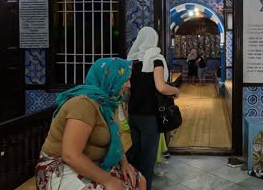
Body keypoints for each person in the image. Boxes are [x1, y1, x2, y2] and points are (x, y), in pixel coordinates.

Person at [35, 57, 146, 190]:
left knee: (139, 181)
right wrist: (108, 181)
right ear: (109, 79)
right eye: (124, 80)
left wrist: (124, 163)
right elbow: (70, 155)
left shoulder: (108, 103)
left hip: (94, 162)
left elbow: (114, 137)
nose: (129, 85)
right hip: (60, 167)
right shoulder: (83, 104)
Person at [126, 27, 179, 190]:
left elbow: (127, 89)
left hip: (133, 115)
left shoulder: (132, 61)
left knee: (135, 157)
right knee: (147, 161)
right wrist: (176, 91)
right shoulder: (155, 59)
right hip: (150, 116)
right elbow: (161, 87)